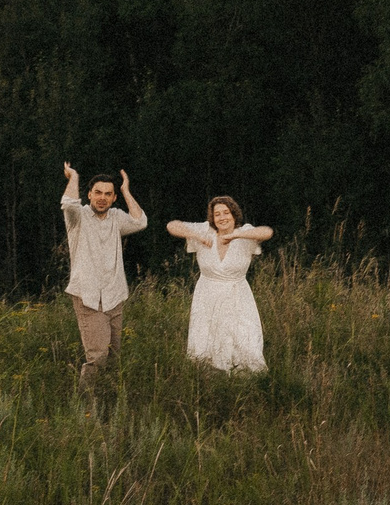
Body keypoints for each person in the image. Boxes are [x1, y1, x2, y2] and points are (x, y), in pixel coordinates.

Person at [60, 162, 146, 393]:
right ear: (89, 194)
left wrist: (126, 191)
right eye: (97, 192)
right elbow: (68, 204)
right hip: (88, 296)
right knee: (97, 357)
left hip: (114, 295)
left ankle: (107, 401)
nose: (102, 198)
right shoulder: (78, 218)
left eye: (108, 194)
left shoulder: (117, 217)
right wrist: (74, 176)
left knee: (114, 357)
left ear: (113, 198)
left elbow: (140, 221)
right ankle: (86, 407)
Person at [167, 195, 270, 372]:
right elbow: (171, 225)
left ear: (234, 214)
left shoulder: (245, 232)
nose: (222, 217)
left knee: (242, 337)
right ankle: (209, 374)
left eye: (226, 213)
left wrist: (236, 235)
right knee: (207, 337)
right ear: (212, 218)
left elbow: (267, 232)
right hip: (207, 294)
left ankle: (242, 374)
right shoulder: (205, 230)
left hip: (237, 293)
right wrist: (195, 235)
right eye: (217, 214)